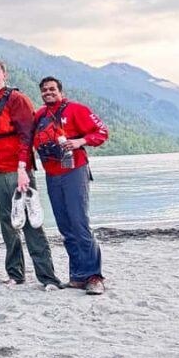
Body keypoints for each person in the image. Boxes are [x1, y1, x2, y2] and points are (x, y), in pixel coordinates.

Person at [0, 59, 62, 290]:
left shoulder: (17, 99)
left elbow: (27, 135)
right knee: (7, 223)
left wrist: (23, 168)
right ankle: (15, 273)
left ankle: (48, 277)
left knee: (31, 223)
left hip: (16, 171)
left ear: (4, 74)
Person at [34, 76, 109, 295]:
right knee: (65, 227)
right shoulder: (40, 115)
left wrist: (79, 141)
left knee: (80, 223)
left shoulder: (77, 109)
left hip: (75, 171)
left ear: (60, 91)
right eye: (44, 90)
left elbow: (102, 132)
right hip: (52, 173)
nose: (48, 93)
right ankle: (77, 276)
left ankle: (94, 276)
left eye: (52, 89)